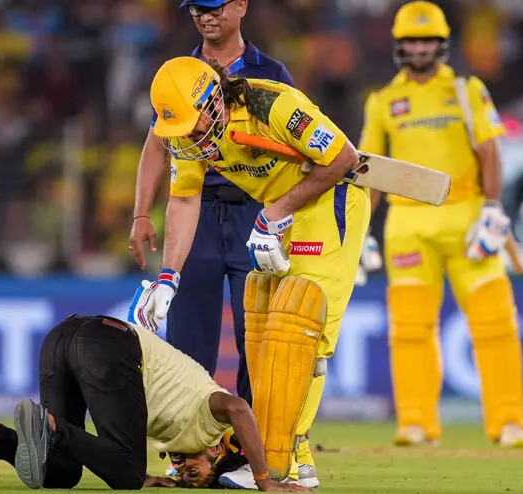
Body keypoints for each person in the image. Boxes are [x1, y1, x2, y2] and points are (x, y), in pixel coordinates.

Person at [131, 56, 370, 484]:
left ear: (213, 100)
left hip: (333, 203)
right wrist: (169, 278)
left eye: (193, 124)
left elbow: (343, 159)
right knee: (262, 336)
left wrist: (275, 211)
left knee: (301, 331)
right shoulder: (191, 136)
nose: (190, 138)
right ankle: (291, 456)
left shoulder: (271, 105)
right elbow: (185, 199)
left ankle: (285, 462)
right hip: (283, 214)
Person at [358, 1, 523, 448]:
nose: (420, 48)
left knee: (495, 323)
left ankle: (509, 422)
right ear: (400, 45)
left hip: (468, 216)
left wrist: (493, 209)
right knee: (409, 329)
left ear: (442, 44)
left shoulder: (466, 89)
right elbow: (370, 169)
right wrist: (360, 231)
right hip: (407, 223)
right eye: (412, 41)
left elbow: (490, 152)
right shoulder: (383, 100)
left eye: (428, 40)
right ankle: (416, 423)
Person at [129, 0, 294, 408]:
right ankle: (190, 439)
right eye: (197, 9)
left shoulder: (271, 73)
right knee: (188, 339)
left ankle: (256, 438)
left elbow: (294, 151)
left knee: (256, 336)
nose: (206, 16)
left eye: (214, 7)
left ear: (240, 6)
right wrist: (141, 212)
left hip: (255, 211)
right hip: (195, 210)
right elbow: (157, 145)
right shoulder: (180, 75)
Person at [0, 314, 310, 491]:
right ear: (217, 450)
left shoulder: (176, 437)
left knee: (60, 471)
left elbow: (115, 443)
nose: (183, 471)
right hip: (108, 344)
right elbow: (239, 408)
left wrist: (151, 476)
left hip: (60, 338)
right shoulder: (211, 421)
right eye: (195, 472)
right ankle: (48, 424)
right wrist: (265, 481)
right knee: (127, 475)